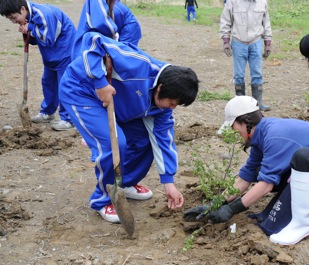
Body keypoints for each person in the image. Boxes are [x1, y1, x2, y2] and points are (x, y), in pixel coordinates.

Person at [184, 96, 309, 245]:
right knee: (262, 169)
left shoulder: (274, 135)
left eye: (234, 126)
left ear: (245, 121)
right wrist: (214, 204)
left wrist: (231, 209)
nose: (233, 132)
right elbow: (245, 178)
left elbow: (265, 186)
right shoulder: (259, 138)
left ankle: (302, 224)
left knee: (303, 157)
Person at [59, 32, 200, 223]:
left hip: (118, 104)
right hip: (81, 90)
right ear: (160, 88)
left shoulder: (162, 107)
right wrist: (100, 83)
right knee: (114, 143)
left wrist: (169, 183)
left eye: (177, 105)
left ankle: (124, 184)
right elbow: (93, 40)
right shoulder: (136, 65)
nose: (172, 108)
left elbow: (164, 141)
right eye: (172, 102)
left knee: (145, 140)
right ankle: (102, 199)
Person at [0, 0, 76, 131]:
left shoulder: (42, 14)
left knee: (64, 85)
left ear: (23, 9)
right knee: (48, 82)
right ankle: (48, 112)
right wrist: (27, 32)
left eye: (14, 18)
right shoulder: (29, 15)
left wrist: (29, 28)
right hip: (51, 54)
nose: (13, 21)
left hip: (64, 51)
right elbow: (37, 39)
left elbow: (48, 38)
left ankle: (68, 119)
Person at [220, 0, 272, 111]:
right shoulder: (232, 2)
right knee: (238, 75)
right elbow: (225, 21)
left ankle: (258, 102)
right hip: (239, 42)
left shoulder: (262, 2)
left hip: (256, 41)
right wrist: (226, 42)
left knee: (257, 74)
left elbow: (266, 22)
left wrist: (267, 43)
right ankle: (240, 103)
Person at [71, 0, 142, 60]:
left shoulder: (114, 9)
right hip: (121, 25)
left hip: (129, 28)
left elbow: (106, 27)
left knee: (122, 57)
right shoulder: (95, 4)